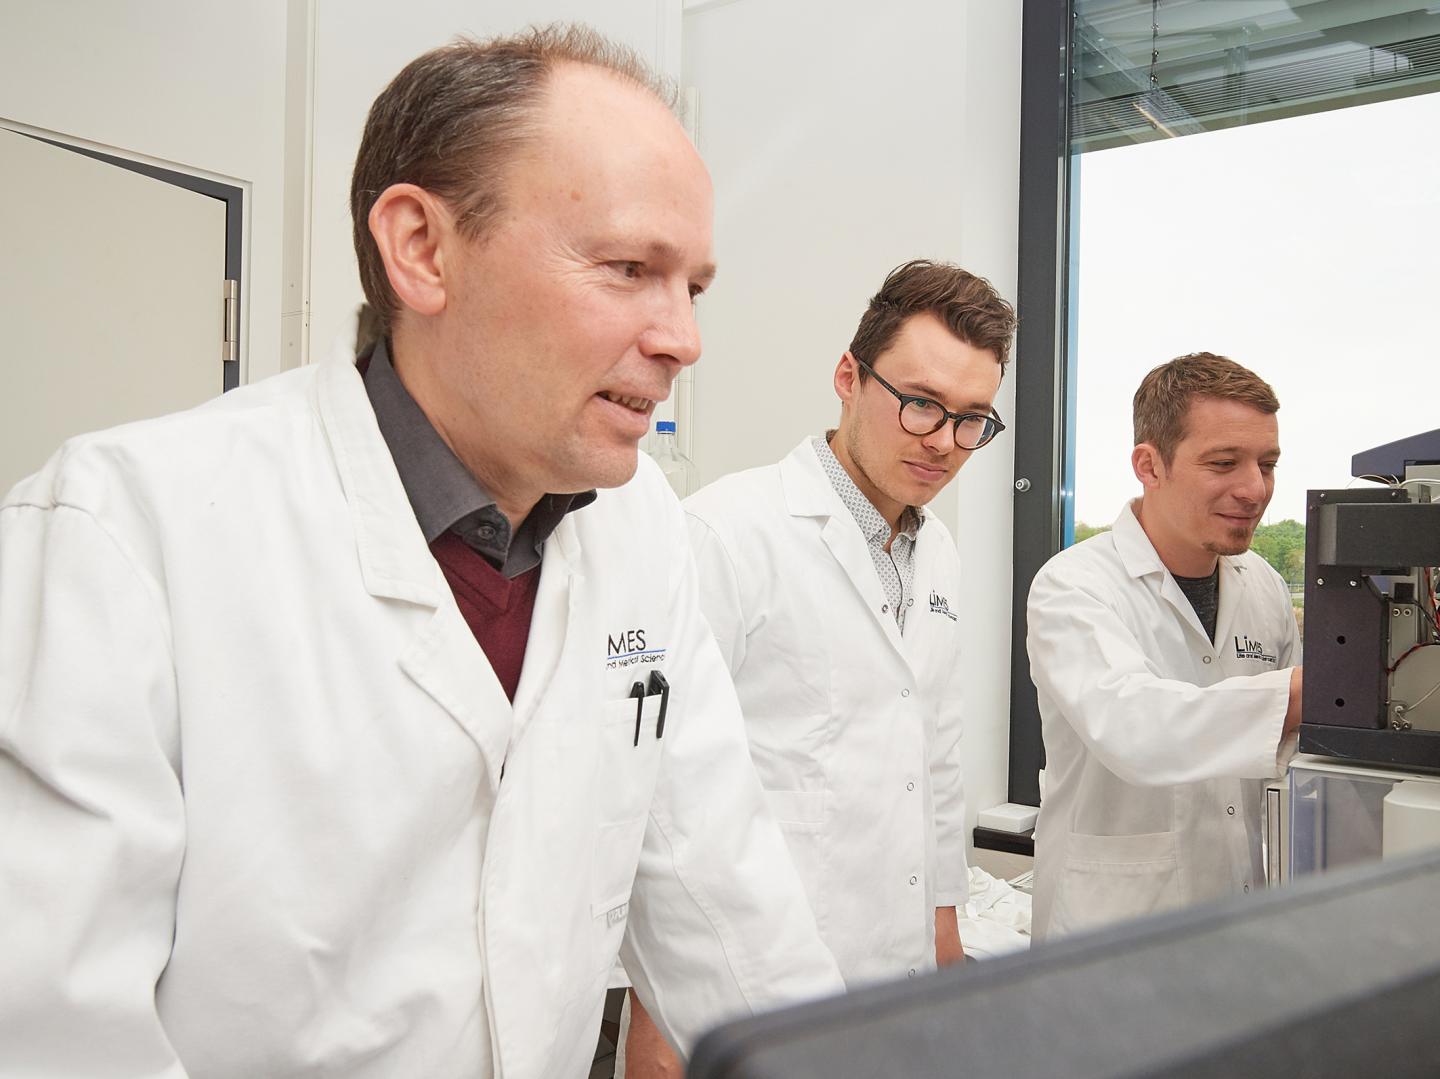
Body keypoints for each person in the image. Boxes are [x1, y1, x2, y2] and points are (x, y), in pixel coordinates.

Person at [0, 26, 844, 1078]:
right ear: (423, 249)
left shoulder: (642, 539)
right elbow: (57, 1037)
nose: (683, 337)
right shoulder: (124, 531)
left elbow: (736, 922)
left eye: (694, 286)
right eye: (629, 267)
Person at [622, 259, 1017, 1075]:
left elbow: (933, 759)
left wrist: (945, 939)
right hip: (744, 995)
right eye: (921, 404)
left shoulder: (934, 549)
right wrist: (661, 1027)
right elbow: (656, 792)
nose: (944, 441)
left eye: (973, 418)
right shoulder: (728, 533)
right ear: (848, 376)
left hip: (894, 986)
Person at [1026, 352, 1303, 940]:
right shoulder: (1073, 586)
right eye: (1224, 462)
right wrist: (1327, 686)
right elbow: (1137, 730)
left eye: (1268, 464)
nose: (1254, 489)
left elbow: (1293, 753)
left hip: (1238, 913)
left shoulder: (1266, 587)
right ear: (1149, 466)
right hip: (1111, 930)